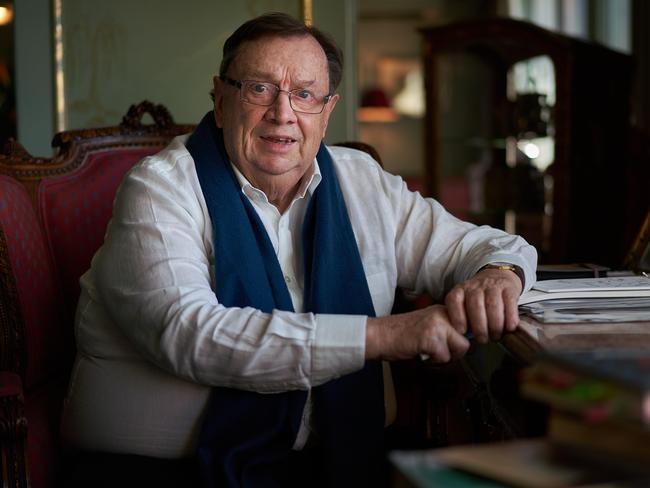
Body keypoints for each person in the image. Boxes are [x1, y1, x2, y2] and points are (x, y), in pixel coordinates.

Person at [60, 11, 537, 488]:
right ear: (221, 99)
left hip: (344, 461)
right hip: (163, 473)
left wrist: (497, 273)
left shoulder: (360, 180)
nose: (283, 113)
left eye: (305, 94)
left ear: (327, 111)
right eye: (259, 88)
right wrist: (387, 336)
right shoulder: (157, 189)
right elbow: (189, 334)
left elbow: (489, 246)